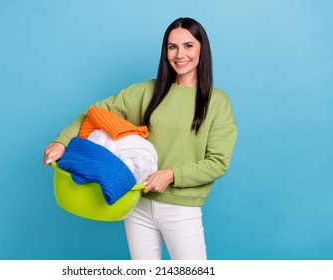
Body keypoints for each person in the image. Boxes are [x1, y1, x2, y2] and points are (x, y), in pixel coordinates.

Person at [43, 17, 237, 260]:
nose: (179, 54)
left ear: (201, 48)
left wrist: (171, 174)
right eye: (172, 46)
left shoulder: (217, 102)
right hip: (137, 203)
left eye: (188, 45)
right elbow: (94, 115)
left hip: (181, 208)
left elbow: (218, 162)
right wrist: (62, 141)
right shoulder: (146, 92)